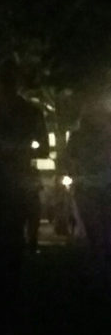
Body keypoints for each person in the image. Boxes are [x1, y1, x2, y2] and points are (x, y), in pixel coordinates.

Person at [0, 59, 48, 297]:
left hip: (14, 178)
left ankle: (8, 280)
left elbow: (42, 148)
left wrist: (18, 149)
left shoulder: (29, 114)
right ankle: (1, 277)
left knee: (12, 230)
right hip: (0, 178)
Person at [64, 105, 111, 282]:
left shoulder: (77, 137)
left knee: (97, 228)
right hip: (95, 186)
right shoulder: (81, 138)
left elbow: (70, 161)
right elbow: (70, 161)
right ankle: (101, 264)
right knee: (101, 227)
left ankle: (99, 264)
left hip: (91, 187)